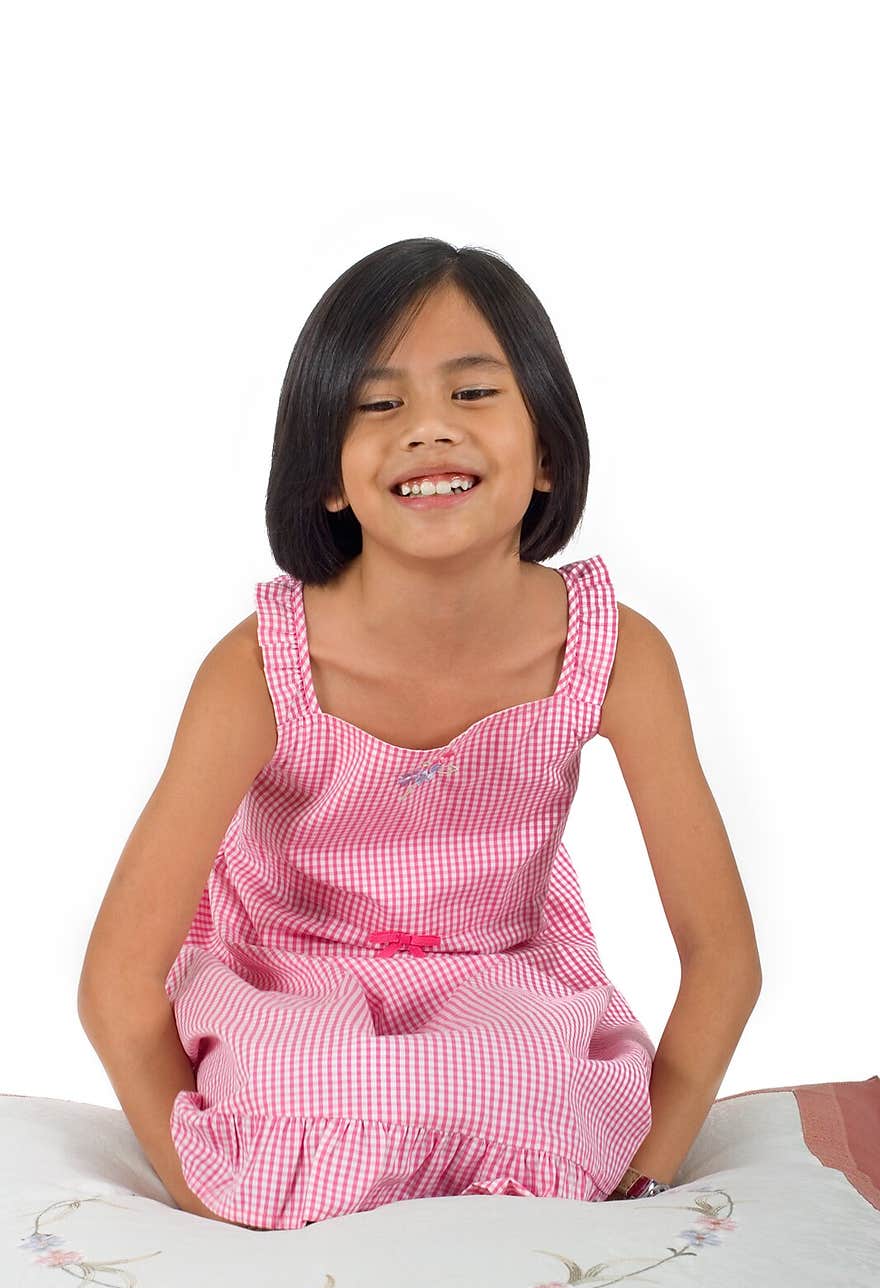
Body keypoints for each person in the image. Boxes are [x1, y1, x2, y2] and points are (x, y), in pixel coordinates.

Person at [77, 238, 763, 1231]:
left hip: (501, 980)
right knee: (304, 1075)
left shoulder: (614, 652)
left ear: (548, 456)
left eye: (475, 392)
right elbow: (117, 976)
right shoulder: (262, 668)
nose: (429, 429)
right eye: (379, 403)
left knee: (526, 1077)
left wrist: (647, 1172)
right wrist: (197, 1180)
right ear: (325, 475)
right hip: (292, 985)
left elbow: (723, 953)